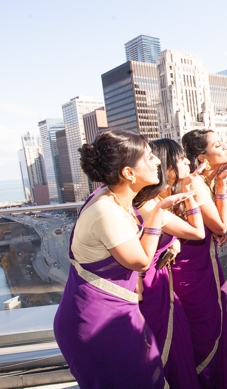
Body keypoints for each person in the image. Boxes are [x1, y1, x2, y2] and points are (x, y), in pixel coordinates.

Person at [54, 129, 192, 388]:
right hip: (96, 322)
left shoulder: (116, 200)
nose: (158, 162)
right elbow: (140, 261)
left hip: (116, 310)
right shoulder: (107, 212)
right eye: (150, 158)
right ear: (129, 173)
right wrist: (159, 214)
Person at [177, 129, 227, 389]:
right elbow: (221, 227)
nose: (225, 147)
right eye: (218, 145)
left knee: (209, 322)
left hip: (202, 261)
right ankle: (209, 381)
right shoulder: (196, 183)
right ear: (203, 158)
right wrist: (221, 185)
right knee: (204, 326)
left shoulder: (200, 180)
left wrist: (218, 183)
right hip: (191, 269)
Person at [134, 139, 209, 389]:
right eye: (181, 159)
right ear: (168, 169)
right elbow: (198, 232)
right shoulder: (154, 208)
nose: (187, 161)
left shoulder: (147, 202)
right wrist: (190, 195)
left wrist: (172, 241)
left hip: (159, 286)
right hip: (153, 290)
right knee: (168, 348)